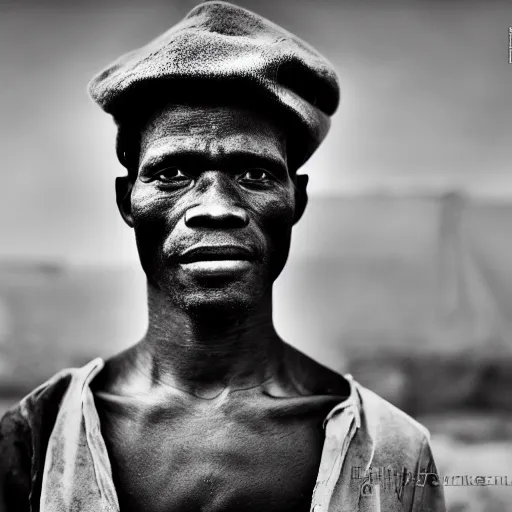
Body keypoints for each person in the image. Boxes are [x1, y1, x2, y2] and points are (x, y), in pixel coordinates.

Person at [0, 2, 446, 511]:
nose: (214, 208)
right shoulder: (33, 439)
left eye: (254, 175)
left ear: (295, 199)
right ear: (127, 201)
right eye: (172, 174)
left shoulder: (393, 451)